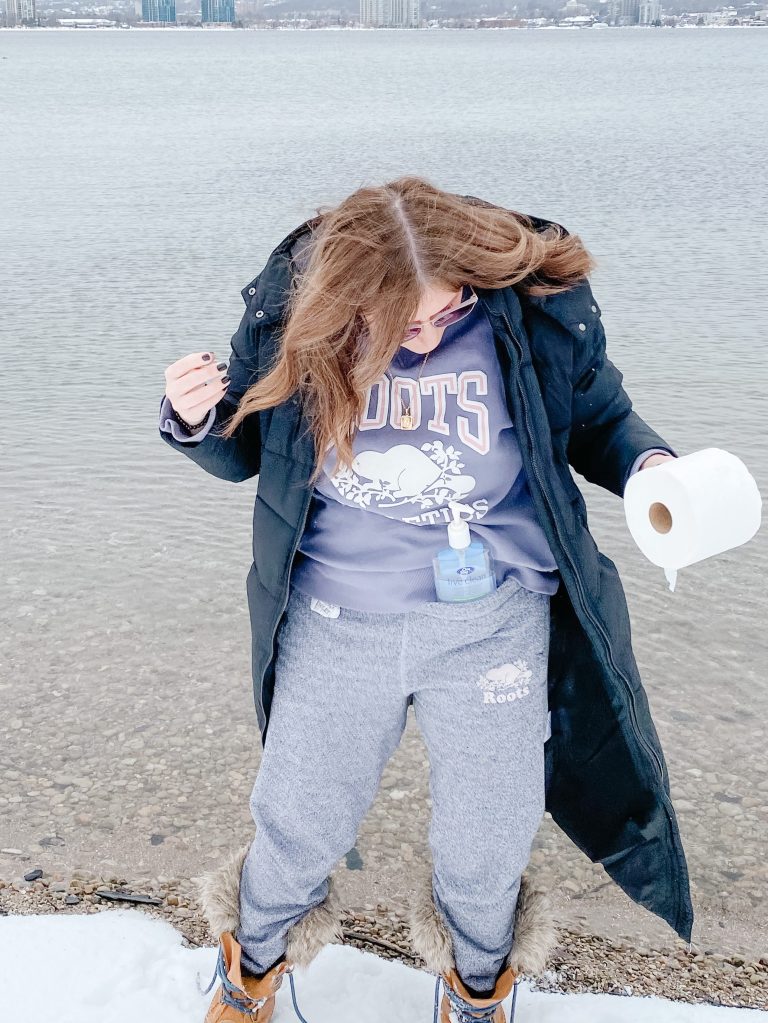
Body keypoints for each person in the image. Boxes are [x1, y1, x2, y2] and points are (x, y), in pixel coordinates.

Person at [158, 176, 690, 1023]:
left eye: (448, 312)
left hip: (493, 625)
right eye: (402, 323)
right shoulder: (302, 318)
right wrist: (194, 417)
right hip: (337, 620)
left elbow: (601, 419)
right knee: (297, 820)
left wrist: (653, 467)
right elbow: (246, 443)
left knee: (488, 840)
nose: (428, 335)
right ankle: (250, 971)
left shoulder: (528, 312)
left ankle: (479, 991)